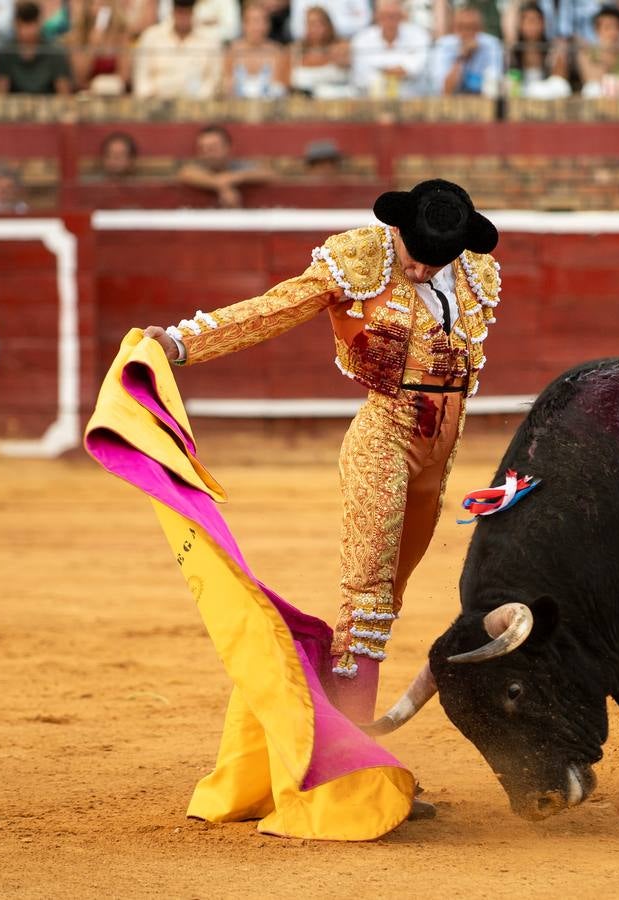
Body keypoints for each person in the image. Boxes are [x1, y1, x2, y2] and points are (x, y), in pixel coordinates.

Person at [140, 180, 501, 749]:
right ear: (397, 231)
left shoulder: (473, 273)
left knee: (387, 605)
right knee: (367, 597)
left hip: (441, 454)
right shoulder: (359, 258)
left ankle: (328, 728)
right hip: (384, 435)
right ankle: (352, 755)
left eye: (435, 262)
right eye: (414, 256)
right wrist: (183, 343)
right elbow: (276, 308)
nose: (419, 271)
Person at [133, 0, 224, 98]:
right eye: (180, 12)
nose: (183, 18)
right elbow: (141, 80)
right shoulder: (151, 36)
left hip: (197, 106)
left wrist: (197, 99)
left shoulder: (210, 41)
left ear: (193, 13)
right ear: (173, 12)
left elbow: (214, 81)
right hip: (156, 104)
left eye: (187, 13)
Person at [177, 123, 276, 207]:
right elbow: (185, 173)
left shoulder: (239, 166)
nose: (208, 153)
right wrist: (221, 185)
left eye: (213, 148)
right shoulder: (198, 167)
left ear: (228, 148)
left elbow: (269, 174)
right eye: (203, 148)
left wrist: (238, 177)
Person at [349, 0, 431, 97]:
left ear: (402, 17)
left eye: (394, 16)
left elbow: (415, 69)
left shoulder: (418, 35)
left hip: (411, 97)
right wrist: (396, 71)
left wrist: (380, 70)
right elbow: (362, 75)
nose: (390, 21)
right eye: (385, 16)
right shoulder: (362, 38)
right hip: (372, 99)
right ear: (377, 17)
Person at [0, 0, 73, 94]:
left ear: (39, 23)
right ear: (15, 25)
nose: (27, 31)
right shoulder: (7, 51)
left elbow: (63, 91)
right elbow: (1, 91)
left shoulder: (54, 51)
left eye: (31, 24)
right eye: (23, 25)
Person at [430, 4, 505, 94]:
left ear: (481, 28)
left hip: (484, 102)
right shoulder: (444, 45)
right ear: (454, 28)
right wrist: (461, 57)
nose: (467, 32)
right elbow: (445, 90)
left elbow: (495, 85)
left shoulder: (492, 44)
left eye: (473, 27)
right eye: (462, 27)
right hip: (452, 102)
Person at [224, 0, 290, 97]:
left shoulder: (278, 53)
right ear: (244, 24)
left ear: (268, 25)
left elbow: (282, 90)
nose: (256, 27)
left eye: (261, 21)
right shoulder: (232, 51)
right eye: (252, 21)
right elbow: (226, 88)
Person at [66, 0, 133, 94]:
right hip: (87, 95)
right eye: (93, 3)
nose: (98, 8)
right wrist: (92, 46)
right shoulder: (78, 36)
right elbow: (79, 78)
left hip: (115, 94)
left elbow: (124, 76)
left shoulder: (121, 35)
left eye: (103, 4)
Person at [506, 1, 568, 93]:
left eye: (536, 21)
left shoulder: (553, 50)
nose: (532, 26)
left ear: (543, 24)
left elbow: (559, 82)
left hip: (546, 98)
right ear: (520, 25)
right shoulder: (514, 52)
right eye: (528, 21)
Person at [291, 4, 352, 96]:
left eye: (319, 23)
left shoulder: (341, 47)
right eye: (310, 24)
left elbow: (347, 68)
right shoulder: (295, 52)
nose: (315, 28)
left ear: (328, 25)